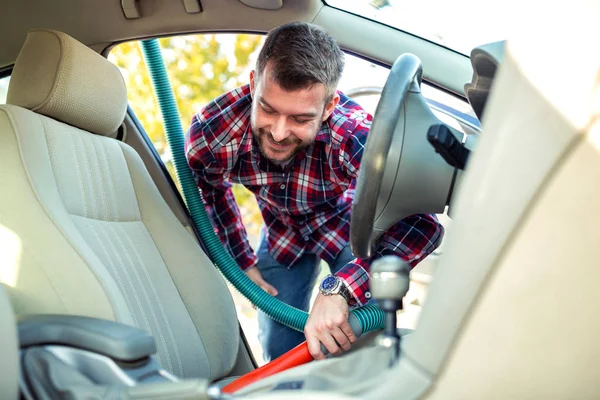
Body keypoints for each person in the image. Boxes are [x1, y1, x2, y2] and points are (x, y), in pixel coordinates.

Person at [185, 21, 444, 362]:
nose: (278, 132)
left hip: (346, 225)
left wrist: (342, 288)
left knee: (349, 338)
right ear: (253, 84)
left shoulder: (354, 136)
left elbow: (423, 225)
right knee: (280, 349)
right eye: (268, 109)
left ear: (329, 106)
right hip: (280, 232)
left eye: (299, 119)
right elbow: (211, 190)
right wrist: (243, 261)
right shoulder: (212, 134)